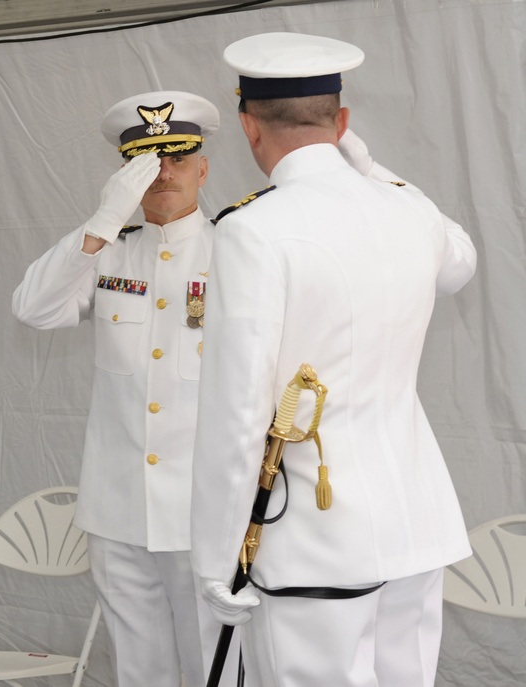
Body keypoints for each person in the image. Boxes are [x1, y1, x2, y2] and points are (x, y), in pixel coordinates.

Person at [189, 32, 477, 687]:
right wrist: (372, 170)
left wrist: (216, 555)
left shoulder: (251, 229)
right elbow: (460, 263)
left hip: (316, 541)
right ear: (343, 121)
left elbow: (238, 411)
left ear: (247, 125)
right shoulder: (411, 213)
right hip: (416, 523)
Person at [12, 91, 238, 687]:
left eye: (178, 159)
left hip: (204, 509)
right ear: (123, 175)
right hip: (118, 507)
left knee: (215, 668)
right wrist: (102, 222)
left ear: (203, 168)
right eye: (146, 163)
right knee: (139, 672)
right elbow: (33, 308)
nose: (163, 174)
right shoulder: (109, 253)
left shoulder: (238, 252)